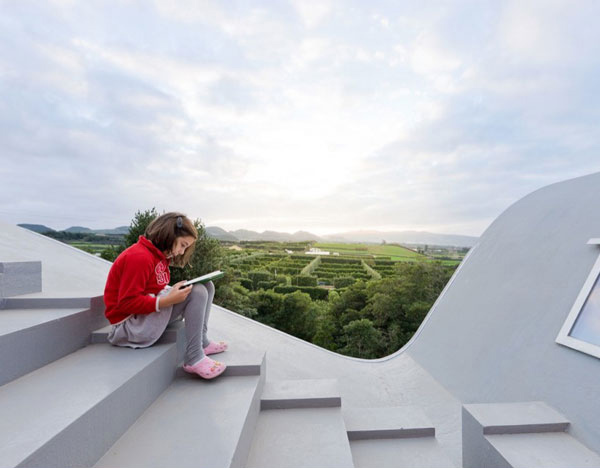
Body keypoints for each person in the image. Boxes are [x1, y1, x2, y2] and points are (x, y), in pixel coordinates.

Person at [103, 212, 228, 379]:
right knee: (196, 292)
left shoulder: (158, 257)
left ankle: (202, 342)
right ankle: (194, 357)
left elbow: (152, 288)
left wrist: (171, 292)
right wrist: (168, 300)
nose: (182, 251)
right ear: (170, 235)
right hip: (129, 326)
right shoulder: (139, 257)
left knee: (207, 285)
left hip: (143, 317)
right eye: (183, 245)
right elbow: (127, 303)